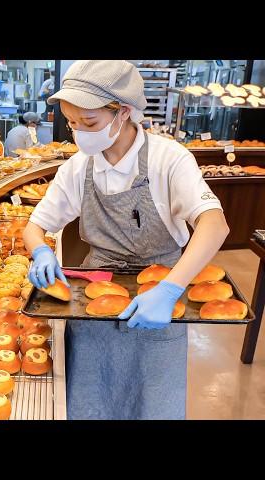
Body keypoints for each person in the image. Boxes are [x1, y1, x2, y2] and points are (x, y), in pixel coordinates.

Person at [22, 60, 229, 420]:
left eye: (89, 123)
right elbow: (35, 224)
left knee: (154, 403)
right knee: (90, 401)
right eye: (72, 123)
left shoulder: (169, 159)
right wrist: (39, 249)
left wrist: (169, 290)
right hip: (94, 301)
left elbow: (215, 224)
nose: (79, 133)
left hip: (162, 297)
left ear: (124, 113)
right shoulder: (78, 168)